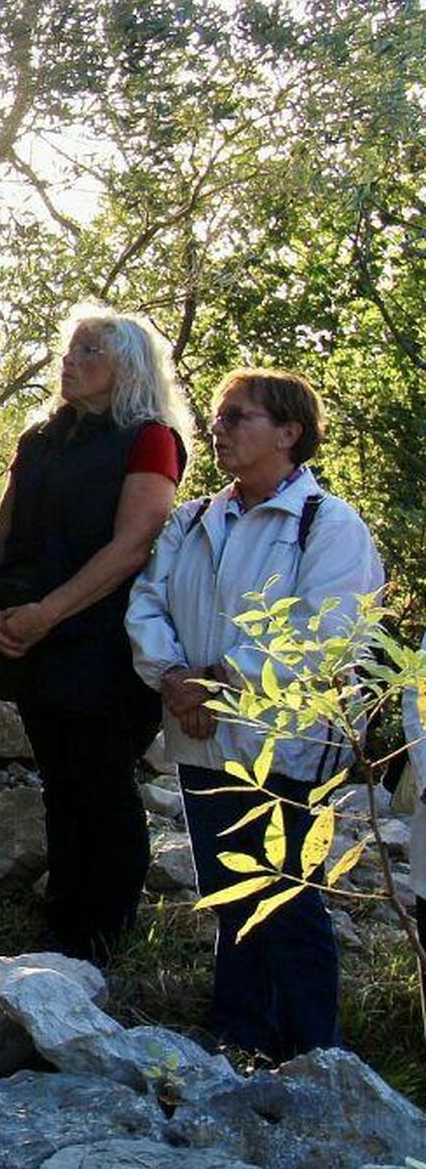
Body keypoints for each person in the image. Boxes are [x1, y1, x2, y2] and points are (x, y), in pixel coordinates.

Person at [127, 369, 383, 1059]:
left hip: (287, 743)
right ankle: (239, 1037)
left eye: (238, 416)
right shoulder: (192, 518)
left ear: (290, 434)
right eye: (218, 417)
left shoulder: (328, 526)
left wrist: (216, 682)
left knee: (287, 898)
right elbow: (147, 603)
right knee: (226, 891)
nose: (221, 428)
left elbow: (322, 632)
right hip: (201, 738)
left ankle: (315, 1058)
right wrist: (174, 676)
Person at [0, 310, 192, 962]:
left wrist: (49, 612)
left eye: (88, 349)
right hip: (27, 635)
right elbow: (3, 532)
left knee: (102, 782)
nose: (69, 360)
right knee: (60, 782)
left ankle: (106, 934)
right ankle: (62, 923)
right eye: (68, 347)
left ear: (127, 366)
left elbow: (133, 546)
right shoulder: (41, 435)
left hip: (102, 641)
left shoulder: (148, 438)